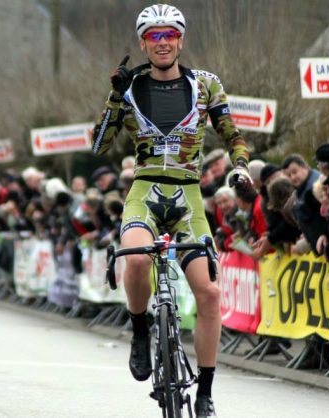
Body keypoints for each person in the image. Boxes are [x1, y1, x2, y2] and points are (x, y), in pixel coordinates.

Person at [91, 5, 250, 416]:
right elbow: (98, 147)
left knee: (210, 292)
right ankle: (141, 331)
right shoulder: (128, 88)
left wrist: (241, 167)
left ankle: (205, 391)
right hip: (144, 191)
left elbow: (232, 135)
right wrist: (113, 98)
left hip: (188, 198)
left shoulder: (206, 85)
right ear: (143, 43)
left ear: (180, 40)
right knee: (138, 259)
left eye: (169, 35)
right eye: (154, 37)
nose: (162, 43)